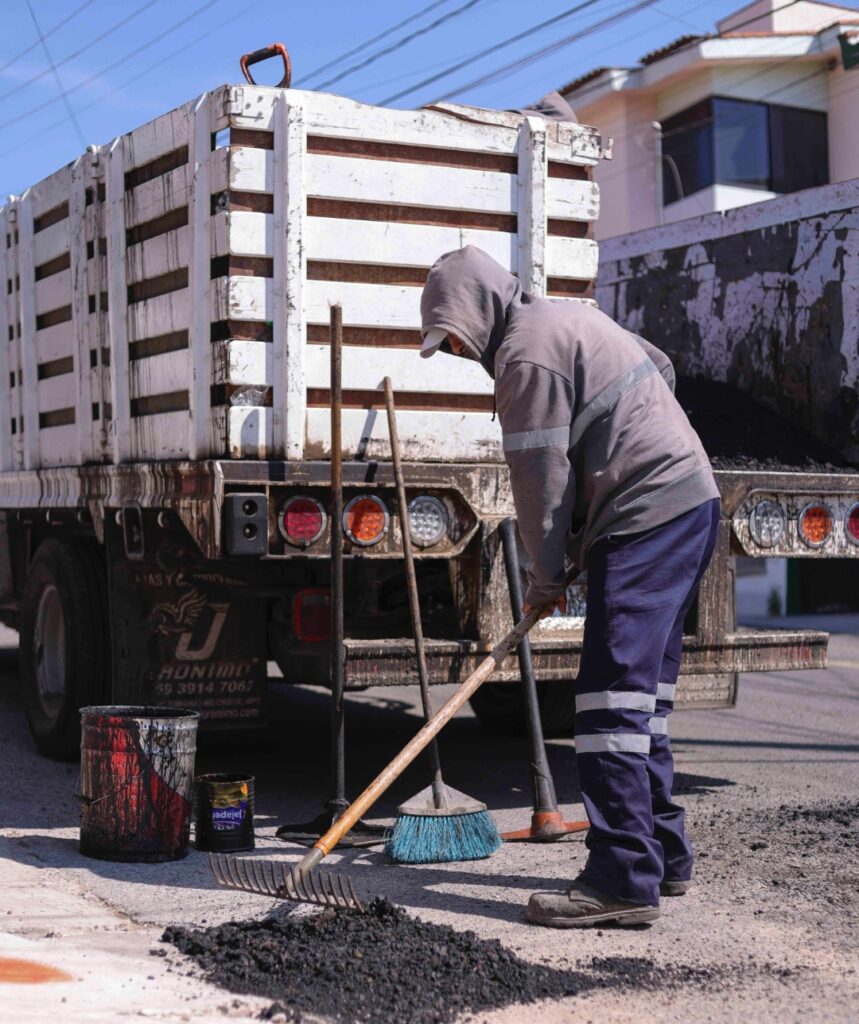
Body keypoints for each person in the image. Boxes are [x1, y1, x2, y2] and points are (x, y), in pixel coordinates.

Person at [419, 246, 720, 928]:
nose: (458, 351)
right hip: (691, 503)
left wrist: (545, 575)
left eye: (453, 335)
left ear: (476, 309)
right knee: (642, 704)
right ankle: (663, 857)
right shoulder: (569, 318)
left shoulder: (523, 357)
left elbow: (540, 483)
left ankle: (621, 880)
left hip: (645, 519)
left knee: (608, 709)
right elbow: (659, 369)